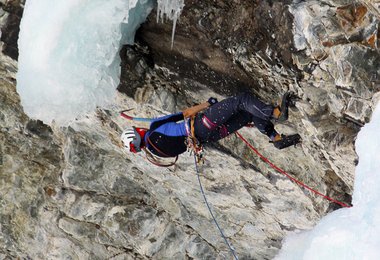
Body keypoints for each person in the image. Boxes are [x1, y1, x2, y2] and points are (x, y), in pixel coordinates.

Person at [121, 92, 301, 159]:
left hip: (207, 138)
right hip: (201, 125)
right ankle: (276, 113)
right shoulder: (154, 128)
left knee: (248, 113)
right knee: (242, 100)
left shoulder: (157, 152)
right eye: (137, 130)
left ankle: (275, 138)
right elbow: (185, 114)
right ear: (137, 134)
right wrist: (207, 104)